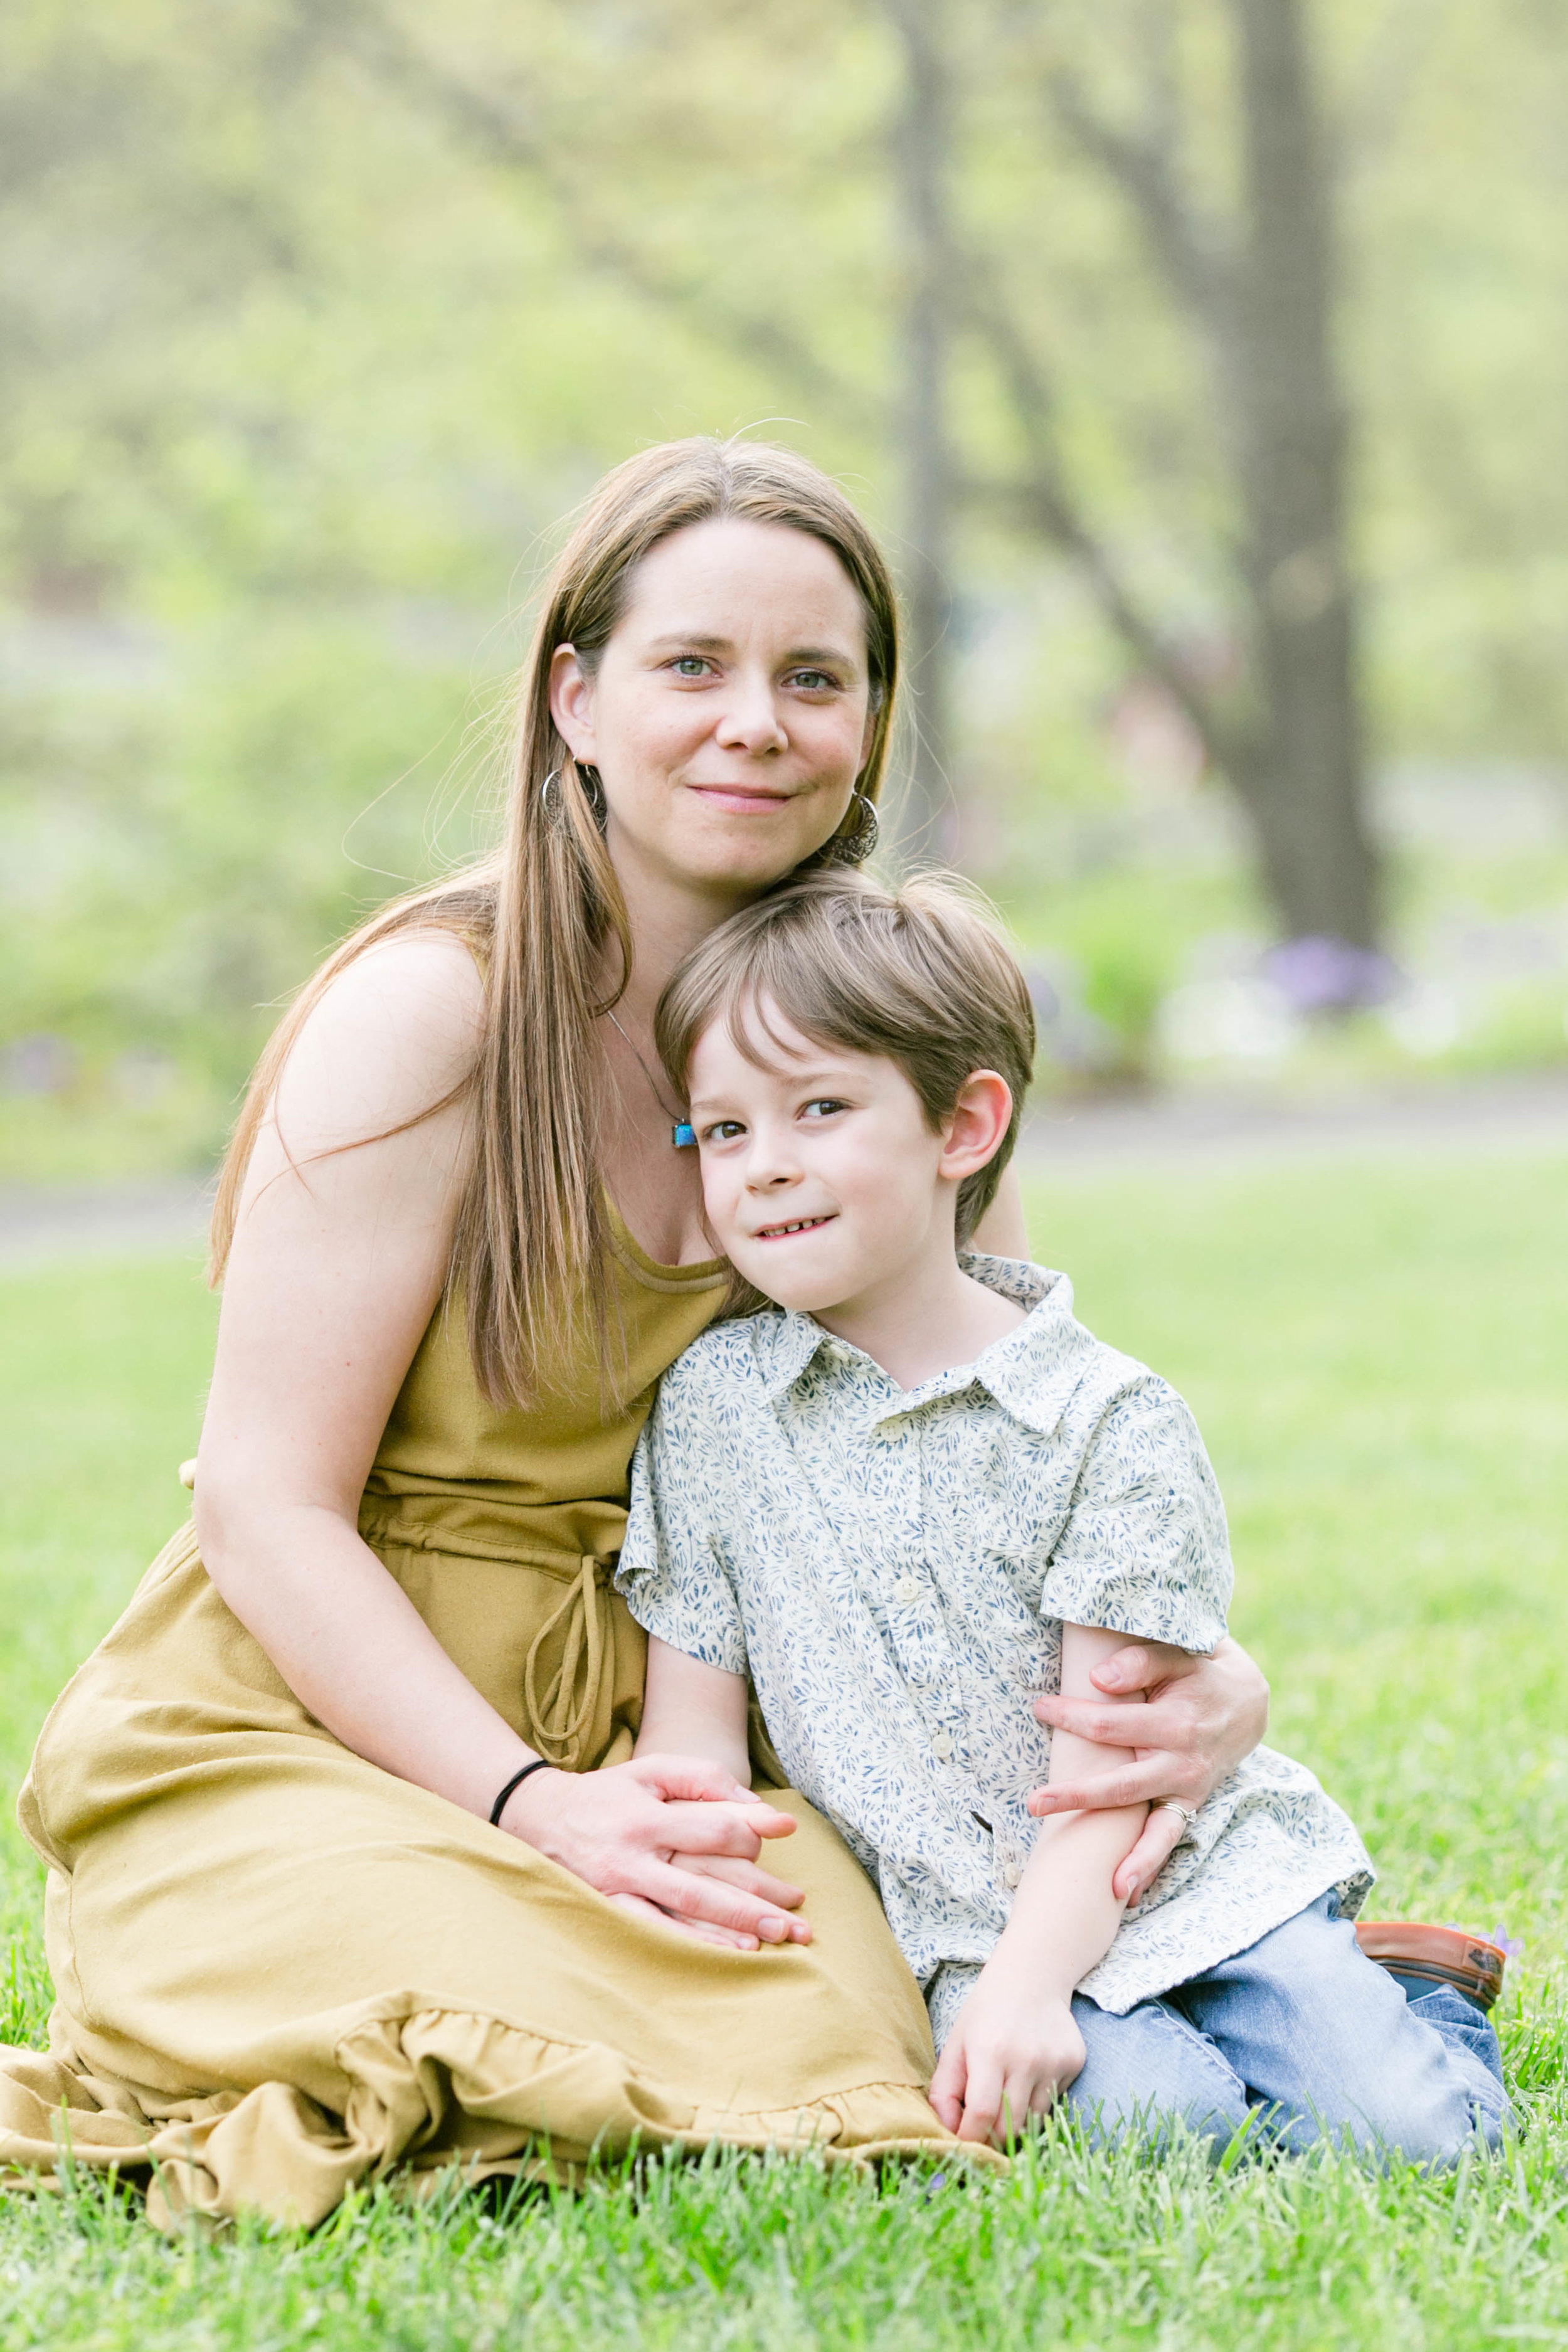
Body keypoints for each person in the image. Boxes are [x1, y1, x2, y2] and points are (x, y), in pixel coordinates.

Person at [0, 439, 1271, 2232]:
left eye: (813, 677)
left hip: (694, 1728)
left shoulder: (873, 1043)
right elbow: (263, 1507)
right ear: (575, 699)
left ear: (867, 729)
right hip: (330, 1720)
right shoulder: (430, 1012)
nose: (756, 720)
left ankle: (1239, 1959)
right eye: (694, 665)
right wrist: (535, 1806)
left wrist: (1214, 1691)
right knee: (470, 1996)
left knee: (863, 2024)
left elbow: (1009, 1444)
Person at [620, 869, 1510, 2161]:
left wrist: (1030, 1990)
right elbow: (688, 1727)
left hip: (1190, 1879)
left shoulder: (1105, 1418)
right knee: (1161, 2130)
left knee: (1417, 2145)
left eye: (819, 1109)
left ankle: (1400, 2005)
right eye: (725, 1132)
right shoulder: (712, 1407)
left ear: (962, 1126)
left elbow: (1110, 1762)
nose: (765, 1169)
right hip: (958, 1929)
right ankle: (1317, 2014)